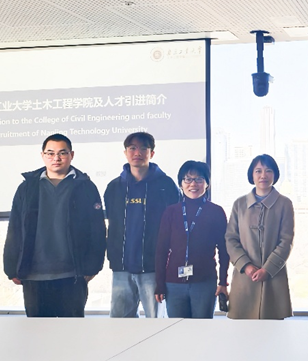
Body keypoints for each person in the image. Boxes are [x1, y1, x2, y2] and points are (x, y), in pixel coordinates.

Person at [3, 133, 106, 317]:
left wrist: (93, 266)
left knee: (72, 331)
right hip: (34, 275)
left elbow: (97, 229)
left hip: (72, 275)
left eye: (62, 153)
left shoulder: (85, 187)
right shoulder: (27, 188)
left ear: (71, 155)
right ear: (42, 155)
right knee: (37, 332)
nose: (56, 158)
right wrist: (11, 268)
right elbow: (15, 228)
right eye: (50, 153)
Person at [104, 132, 179, 318]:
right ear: (125, 152)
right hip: (122, 267)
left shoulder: (166, 185)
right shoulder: (114, 187)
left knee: (155, 322)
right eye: (132, 148)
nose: (137, 153)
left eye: (143, 148)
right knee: (120, 324)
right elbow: (111, 224)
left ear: (151, 153)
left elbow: (175, 226)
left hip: (153, 267)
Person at [154, 161, 229, 318]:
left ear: (207, 184)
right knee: (177, 329)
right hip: (173, 284)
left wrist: (223, 282)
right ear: (181, 184)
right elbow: (161, 250)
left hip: (204, 283)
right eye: (188, 179)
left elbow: (224, 250)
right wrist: (159, 284)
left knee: (202, 329)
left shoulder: (216, 212)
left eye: (199, 179)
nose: (193, 184)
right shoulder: (171, 212)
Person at [225, 154, 295, 319]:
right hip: (244, 277)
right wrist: (246, 265)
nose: (263, 175)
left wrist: (267, 269)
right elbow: (231, 239)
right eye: (258, 171)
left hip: (274, 277)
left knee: (273, 329)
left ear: (275, 174)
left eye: (268, 171)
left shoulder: (285, 203)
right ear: (252, 175)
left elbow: (286, 241)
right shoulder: (239, 204)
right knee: (242, 330)